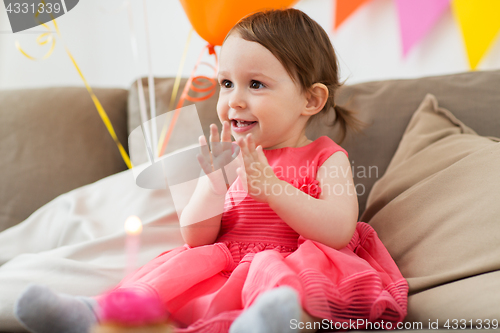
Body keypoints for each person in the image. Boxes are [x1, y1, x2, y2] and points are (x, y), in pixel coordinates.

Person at [14, 8, 408, 333]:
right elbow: (198, 238)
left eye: (255, 84)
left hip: (292, 262)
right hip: (226, 266)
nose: (234, 100)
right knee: (169, 275)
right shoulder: (229, 156)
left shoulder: (327, 156)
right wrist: (214, 187)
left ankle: (266, 323)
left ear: (310, 98)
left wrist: (271, 187)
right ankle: (93, 315)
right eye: (225, 83)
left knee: (282, 287)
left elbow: (338, 230)